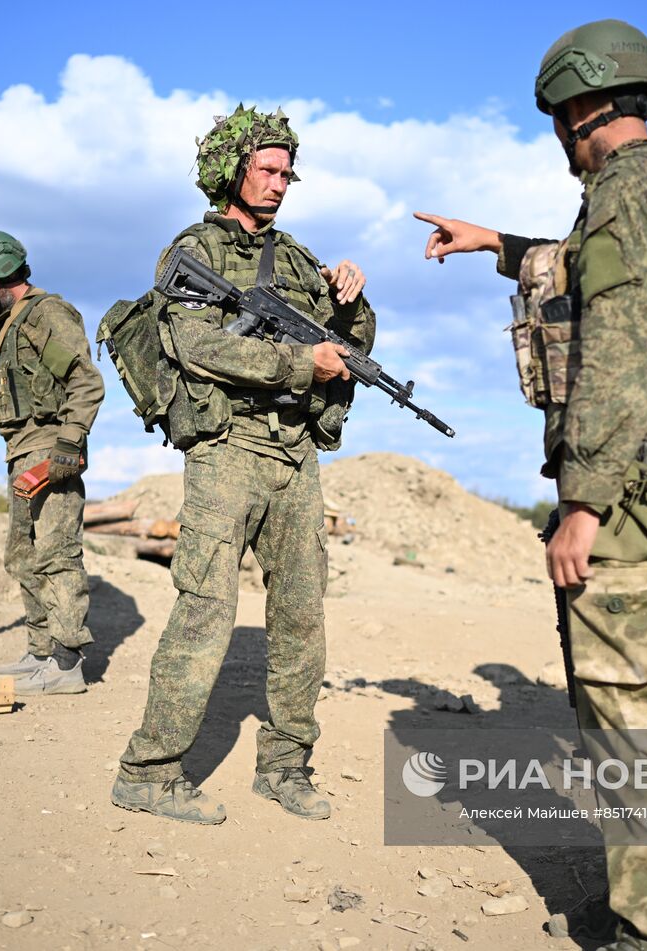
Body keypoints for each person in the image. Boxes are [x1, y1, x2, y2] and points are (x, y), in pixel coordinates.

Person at [415, 19, 647, 949]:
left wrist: (582, 504)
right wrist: (498, 244)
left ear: (582, 104)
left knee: (631, 719)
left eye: (558, 117)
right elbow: (598, 271)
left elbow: (623, 339)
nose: (559, 136)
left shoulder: (624, 192)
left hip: (625, 499)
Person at [112, 106, 375, 825]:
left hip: (295, 453)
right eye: (268, 168)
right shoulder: (193, 248)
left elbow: (344, 342)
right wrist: (300, 362)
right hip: (229, 449)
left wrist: (352, 299)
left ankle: (286, 765)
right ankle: (150, 770)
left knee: (301, 614)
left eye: (289, 172)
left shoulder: (295, 258)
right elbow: (198, 346)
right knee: (207, 606)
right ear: (233, 169)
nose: (281, 183)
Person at [0, 230, 105, 695]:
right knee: (22, 556)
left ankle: (65, 662)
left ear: (1, 275)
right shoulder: (5, 328)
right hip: (19, 451)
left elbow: (86, 382)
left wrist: (66, 448)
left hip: (47, 450)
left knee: (57, 555)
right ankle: (40, 651)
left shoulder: (46, 316)